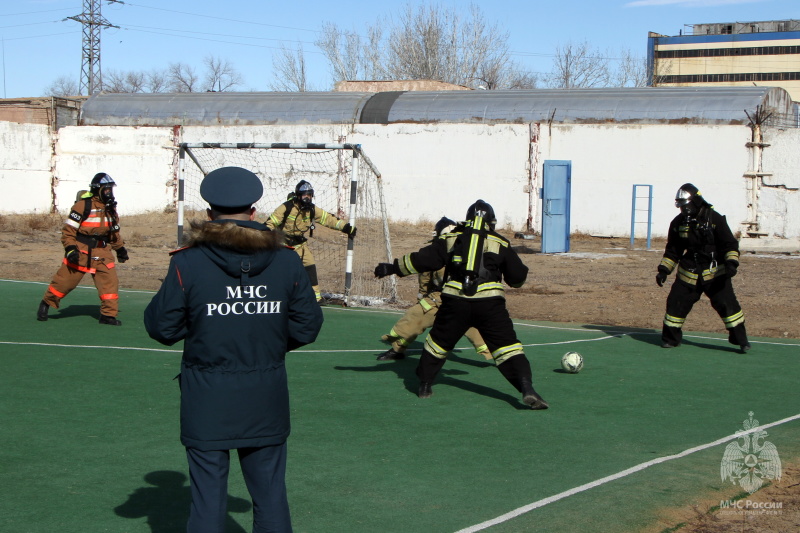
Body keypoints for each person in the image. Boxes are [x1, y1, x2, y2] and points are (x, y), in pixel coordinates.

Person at [144, 166, 324, 533]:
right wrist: (266, 342)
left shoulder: (188, 261)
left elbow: (162, 327)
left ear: (209, 214)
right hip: (265, 391)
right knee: (271, 496)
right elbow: (307, 327)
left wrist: (209, 331)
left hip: (208, 395)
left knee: (208, 501)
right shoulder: (288, 259)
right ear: (254, 212)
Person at [374, 200, 548, 410]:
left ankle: (425, 385)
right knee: (508, 348)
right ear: (491, 223)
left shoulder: (451, 238)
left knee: (437, 343)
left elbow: (423, 259)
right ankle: (526, 387)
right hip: (490, 306)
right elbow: (518, 278)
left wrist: (393, 268)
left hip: (455, 303)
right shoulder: (500, 242)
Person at [377, 217, 491, 362]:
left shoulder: (467, 250)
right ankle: (397, 349)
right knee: (415, 317)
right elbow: (425, 278)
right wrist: (423, 298)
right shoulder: (437, 251)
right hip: (438, 298)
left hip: (461, 298)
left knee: (473, 327)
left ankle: (499, 356)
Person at [655, 183, 750, 353]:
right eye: (681, 207)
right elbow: (673, 250)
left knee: (728, 307)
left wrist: (731, 263)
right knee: (675, 304)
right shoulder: (678, 223)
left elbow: (729, 244)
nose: (683, 210)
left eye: (686, 206)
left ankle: (741, 340)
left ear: (696, 201)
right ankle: (670, 339)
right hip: (688, 272)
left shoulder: (715, 219)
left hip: (715, 273)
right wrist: (663, 270)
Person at [37, 172, 129, 325]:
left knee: (110, 284)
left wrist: (120, 249)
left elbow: (114, 232)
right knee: (65, 282)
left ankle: (108, 315)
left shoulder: (110, 209)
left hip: (103, 252)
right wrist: (71, 249)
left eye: (110, 189)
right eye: (106, 189)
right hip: (82, 251)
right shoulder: (82, 206)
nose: (109, 193)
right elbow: (68, 231)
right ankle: (46, 303)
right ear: (97, 190)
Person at [265, 180, 357, 301]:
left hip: (300, 245)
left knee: (310, 266)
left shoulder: (312, 209)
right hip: (283, 245)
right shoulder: (286, 207)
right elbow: (271, 223)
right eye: (304, 195)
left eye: (309, 195)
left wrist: (345, 227)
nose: (307, 198)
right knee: (283, 271)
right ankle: (276, 295)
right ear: (298, 196)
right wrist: (263, 236)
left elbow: (327, 219)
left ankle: (316, 298)